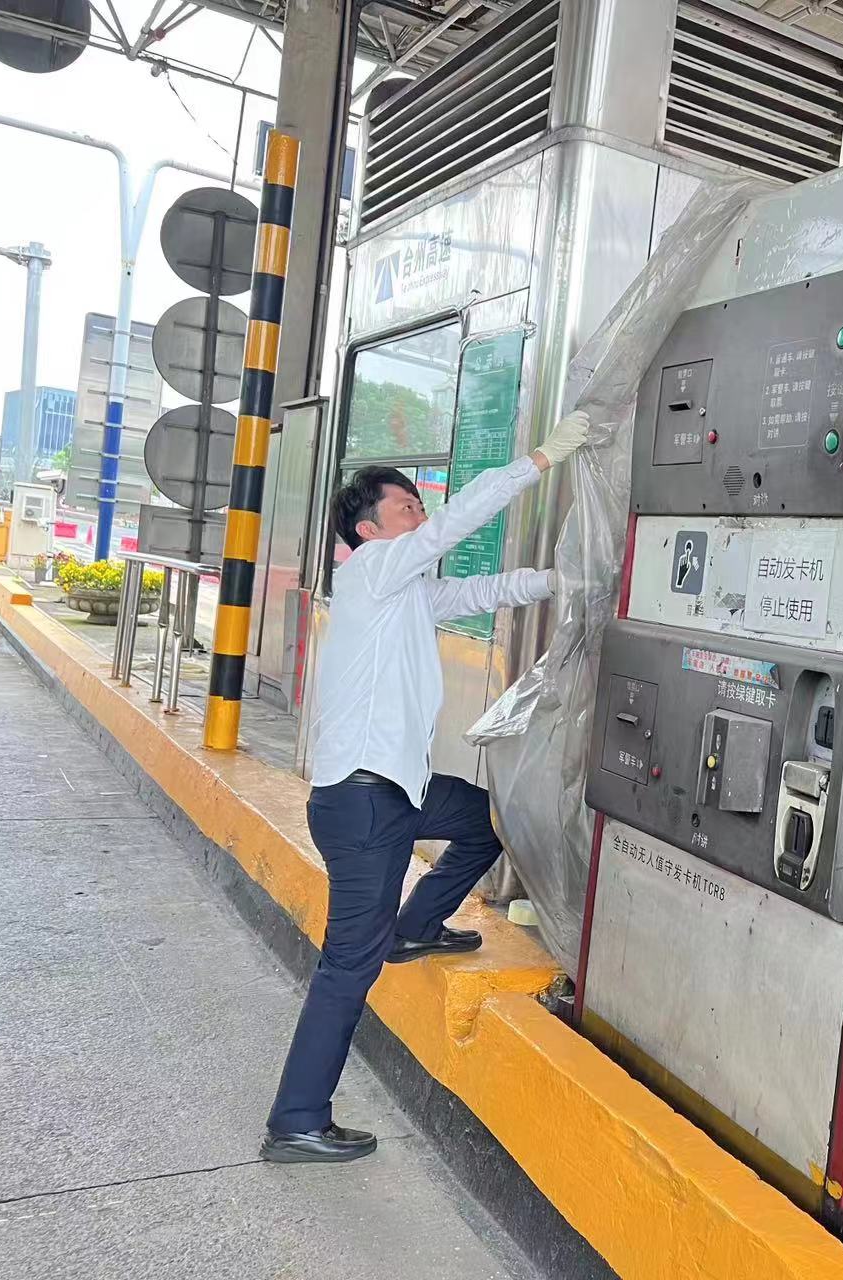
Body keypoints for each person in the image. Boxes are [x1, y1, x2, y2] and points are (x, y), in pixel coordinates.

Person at [261, 409, 591, 1164]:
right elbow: (451, 530)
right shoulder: (371, 571)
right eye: (405, 508)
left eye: (419, 504)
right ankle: (298, 1120)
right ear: (369, 532)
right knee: (348, 964)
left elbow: (481, 591)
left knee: (482, 818)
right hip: (364, 803)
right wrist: (539, 459)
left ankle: (417, 926)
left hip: (392, 793)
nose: (420, 515)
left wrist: (562, 580)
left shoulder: (400, 592)